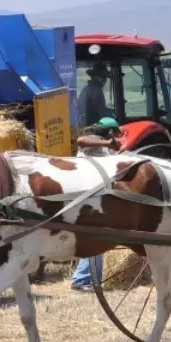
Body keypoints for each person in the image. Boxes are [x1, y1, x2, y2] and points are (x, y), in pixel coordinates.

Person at [70, 116, 123, 291]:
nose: (117, 136)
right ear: (109, 131)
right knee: (96, 237)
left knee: (97, 236)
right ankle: (83, 280)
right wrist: (108, 143)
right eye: (115, 133)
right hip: (86, 196)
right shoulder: (95, 142)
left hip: (94, 196)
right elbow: (81, 140)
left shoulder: (102, 147)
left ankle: (87, 279)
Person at [78, 62, 113, 126]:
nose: (105, 80)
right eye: (103, 77)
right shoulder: (95, 90)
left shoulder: (88, 89)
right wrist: (113, 113)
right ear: (96, 77)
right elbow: (101, 113)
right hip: (91, 127)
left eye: (106, 77)